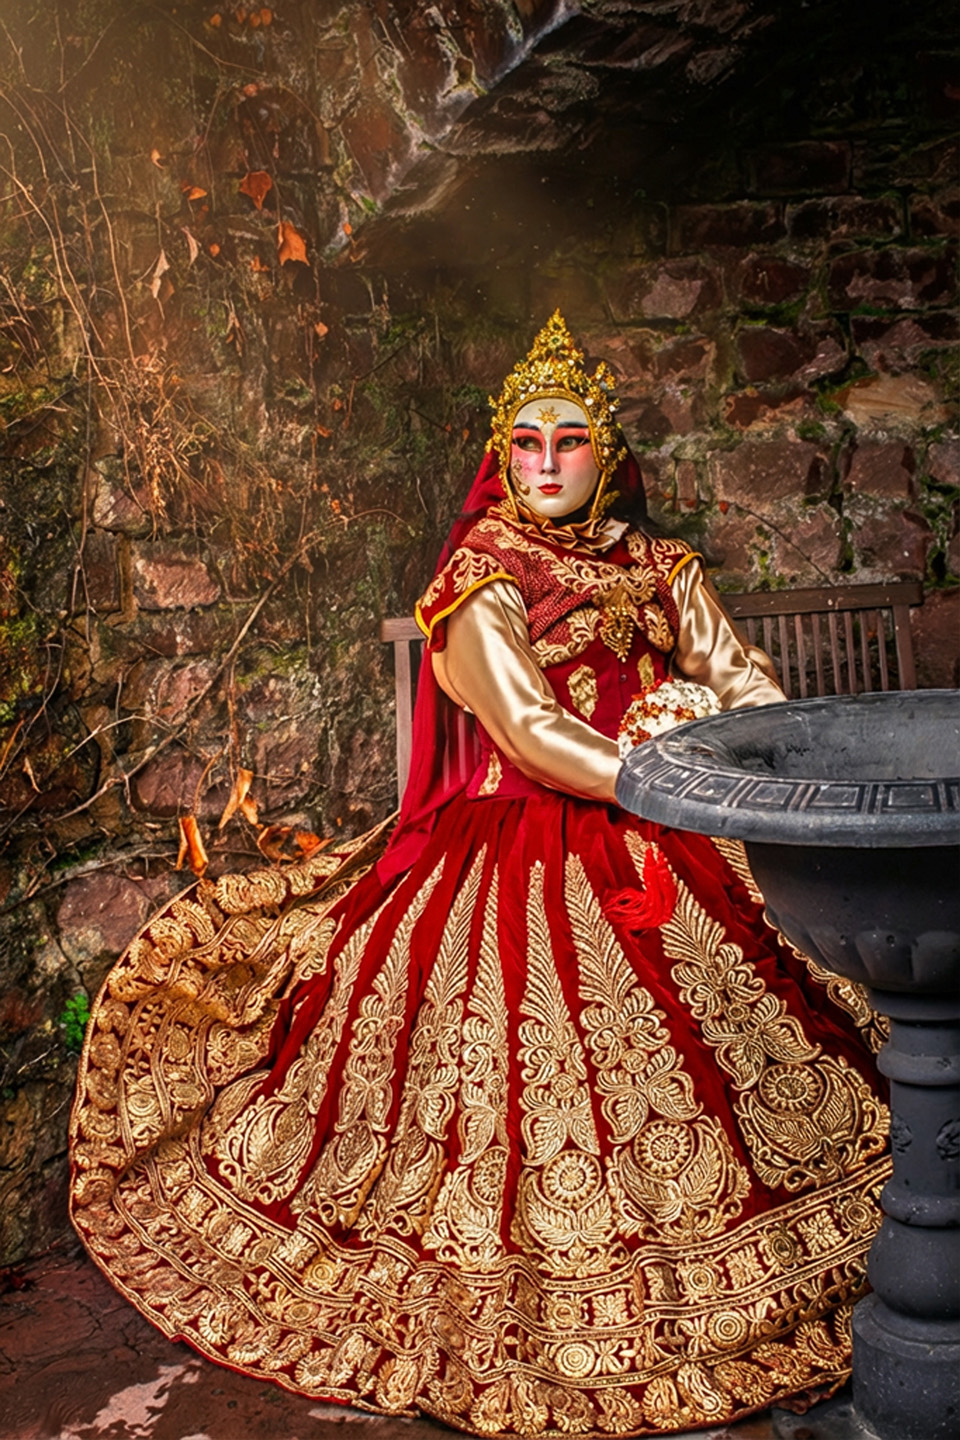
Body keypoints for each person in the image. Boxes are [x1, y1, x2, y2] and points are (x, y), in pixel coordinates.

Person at [70, 313, 888, 1438]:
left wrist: (761, 759)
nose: (547, 464)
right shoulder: (484, 577)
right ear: (503, 455)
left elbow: (739, 676)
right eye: (527, 444)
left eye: (570, 440)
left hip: (684, 815)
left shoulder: (660, 565)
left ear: (607, 452)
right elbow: (529, 729)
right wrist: (659, 771)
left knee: (783, 981)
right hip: (535, 832)